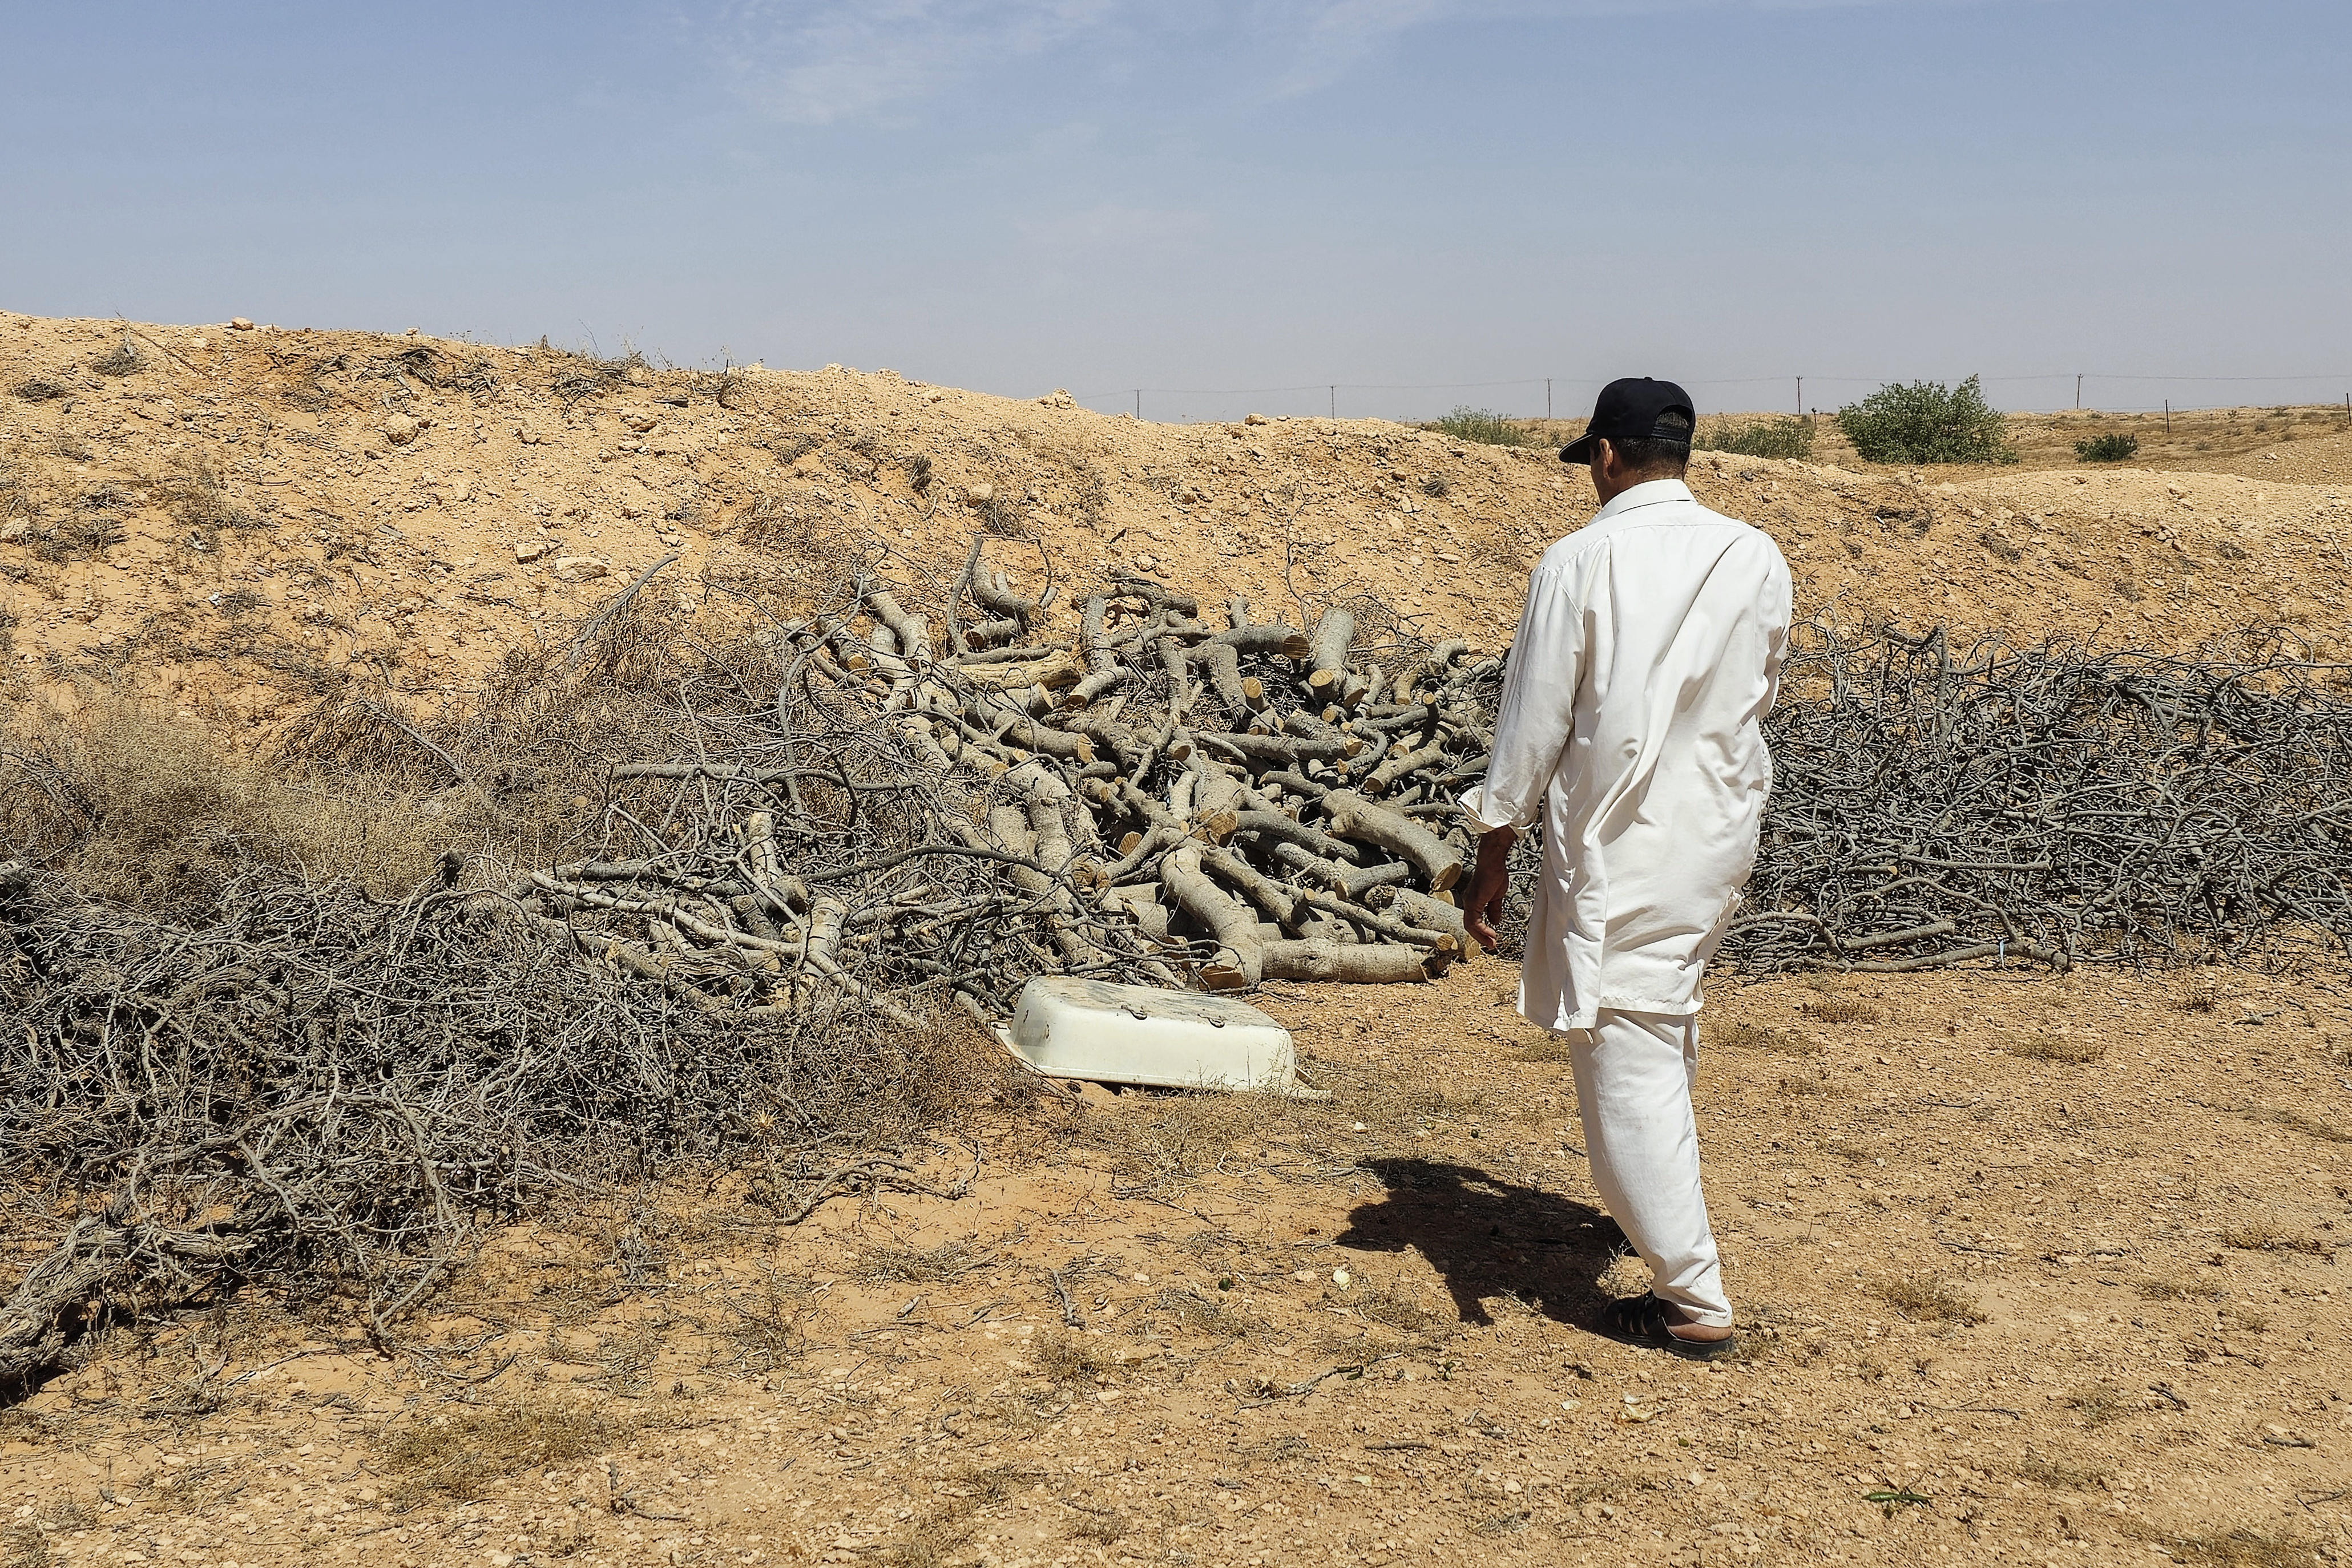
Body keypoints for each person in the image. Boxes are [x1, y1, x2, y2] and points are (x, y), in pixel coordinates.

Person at [1458, 377, 1792, 1361]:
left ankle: (1692, 1298)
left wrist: (1492, 852)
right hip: (1719, 828)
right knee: (1664, 1015)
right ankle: (1657, 1217)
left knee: (1626, 1047)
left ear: (1605, 455)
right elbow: (1756, 689)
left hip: (1624, 837)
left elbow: (1532, 725)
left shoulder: (1579, 559)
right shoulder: (1752, 552)